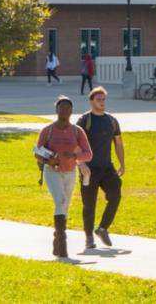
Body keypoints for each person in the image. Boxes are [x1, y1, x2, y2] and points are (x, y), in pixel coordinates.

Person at [35, 95, 92, 258]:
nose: (65, 110)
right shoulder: (48, 130)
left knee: (65, 205)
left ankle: (56, 239)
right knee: (59, 200)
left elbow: (88, 154)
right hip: (53, 172)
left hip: (70, 172)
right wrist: (49, 160)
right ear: (56, 110)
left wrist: (75, 157)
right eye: (62, 107)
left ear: (72, 111)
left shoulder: (77, 131)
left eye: (68, 108)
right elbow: (37, 152)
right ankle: (63, 245)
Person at [76, 86, 125, 250]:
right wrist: (81, 164)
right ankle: (89, 237)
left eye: (104, 99)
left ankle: (102, 228)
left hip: (106, 167)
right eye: (99, 99)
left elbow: (118, 143)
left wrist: (122, 163)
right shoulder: (84, 120)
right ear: (91, 101)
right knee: (89, 204)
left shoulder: (111, 120)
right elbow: (75, 144)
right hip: (88, 169)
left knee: (116, 194)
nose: (102, 102)